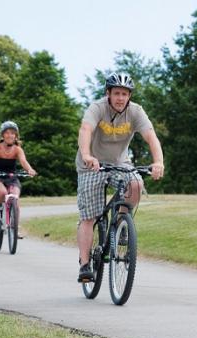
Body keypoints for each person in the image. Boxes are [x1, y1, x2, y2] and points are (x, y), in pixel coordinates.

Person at [76, 72, 164, 282]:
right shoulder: (97, 108)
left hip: (119, 163)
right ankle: (85, 263)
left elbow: (151, 136)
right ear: (108, 93)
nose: (120, 98)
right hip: (92, 165)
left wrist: (158, 161)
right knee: (90, 217)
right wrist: (87, 155)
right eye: (116, 93)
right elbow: (85, 129)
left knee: (135, 183)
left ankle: (122, 224)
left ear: (129, 96)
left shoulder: (136, 112)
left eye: (125, 94)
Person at [0, 121, 36, 225]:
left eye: (13, 133)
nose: (10, 135)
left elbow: (23, 162)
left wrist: (30, 170)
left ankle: (14, 229)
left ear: (16, 136)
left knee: (15, 199)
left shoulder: (17, 149)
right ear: (2, 135)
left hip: (11, 178)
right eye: (7, 133)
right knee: (2, 193)